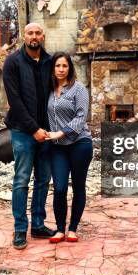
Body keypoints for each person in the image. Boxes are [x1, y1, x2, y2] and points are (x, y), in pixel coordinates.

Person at [2, 22, 56, 250]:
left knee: (43, 180)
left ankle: (38, 224)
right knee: (22, 180)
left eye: (38, 33)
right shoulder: (12, 62)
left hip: (47, 132)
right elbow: (15, 101)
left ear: (43, 36)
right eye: (30, 33)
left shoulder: (50, 61)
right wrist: (34, 129)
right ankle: (20, 229)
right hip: (23, 132)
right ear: (23, 36)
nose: (34, 36)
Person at [46, 52, 92, 243]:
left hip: (80, 144)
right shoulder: (48, 89)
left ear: (70, 68)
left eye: (65, 66)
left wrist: (60, 132)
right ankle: (59, 229)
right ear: (53, 68)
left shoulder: (79, 89)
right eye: (58, 66)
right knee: (59, 188)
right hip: (58, 148)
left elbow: (81, 117)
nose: (61, 69)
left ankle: (72, 229)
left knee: (78, 187)